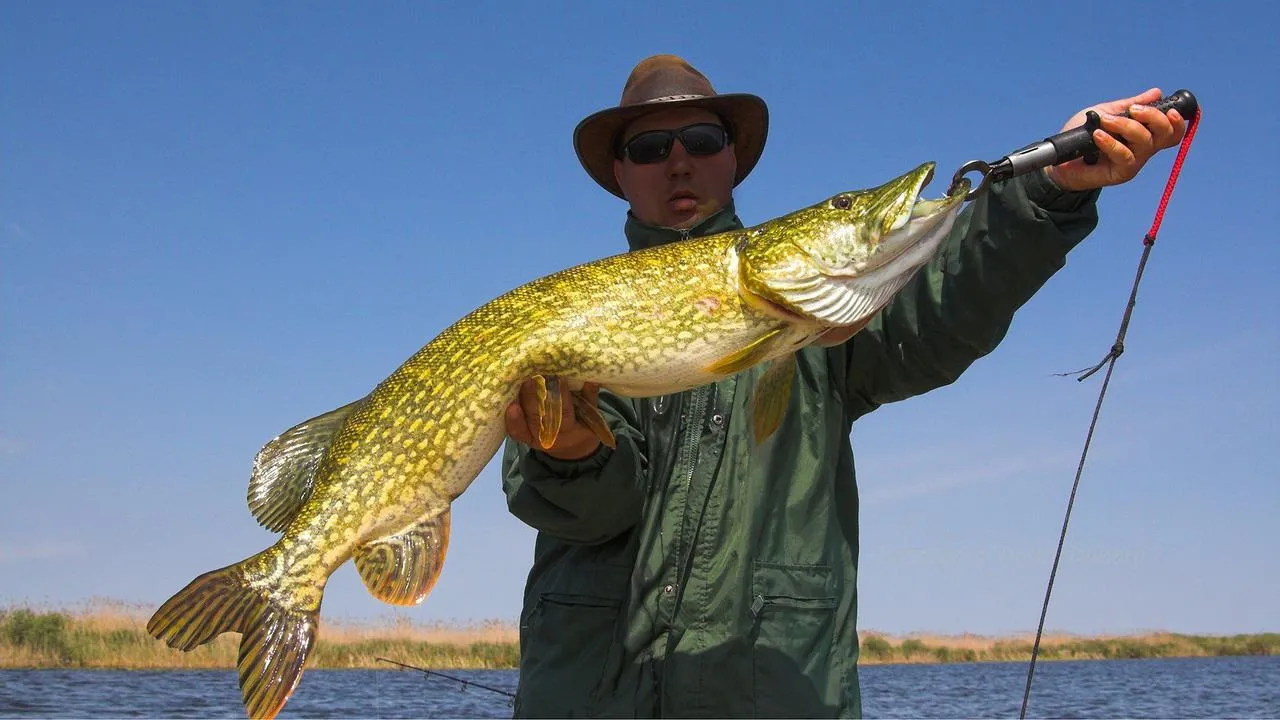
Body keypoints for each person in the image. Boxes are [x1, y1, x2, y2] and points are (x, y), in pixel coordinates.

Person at [500, 55, 1185, 718]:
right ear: (620, 173)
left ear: (732, 157)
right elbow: (593, 516)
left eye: (702, 140)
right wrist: (569, 450)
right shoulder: (577, 320)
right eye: (650, 148)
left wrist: (1048, 189)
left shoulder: (830, 327)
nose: (679, 162)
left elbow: (944, 307)